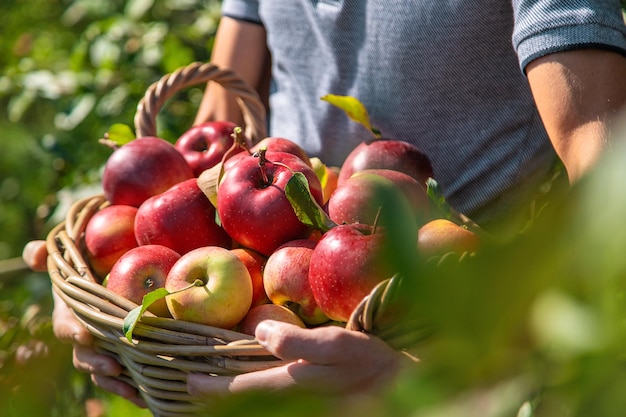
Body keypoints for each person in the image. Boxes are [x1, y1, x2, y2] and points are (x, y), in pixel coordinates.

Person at [24, 0, 626, 408]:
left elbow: (604, 167)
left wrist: (433, 378)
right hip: (259, 315)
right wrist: (105, 284)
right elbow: (216, 129)